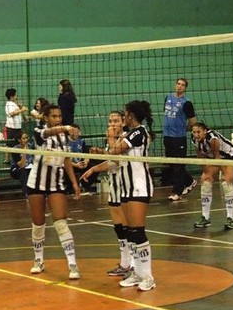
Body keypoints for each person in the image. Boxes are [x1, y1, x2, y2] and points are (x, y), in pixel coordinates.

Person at [26, 104, 82, 280]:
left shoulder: (64, 138)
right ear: (46, 118)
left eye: (59, 116)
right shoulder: (38, 131)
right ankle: (38, 260)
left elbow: (66, 159)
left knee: (61, 223)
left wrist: (74, 183)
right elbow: (45, 134)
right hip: (36, 182)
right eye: (54, 116)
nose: (57, 119)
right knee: (38, 224)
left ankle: (72, 264)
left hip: (56, 184)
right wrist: (65, 128)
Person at [107, 100, 156, 291]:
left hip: (139, 187)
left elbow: (115, 152)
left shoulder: (139, 132)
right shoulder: (129, 134)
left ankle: (148, 276)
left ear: (131, 116)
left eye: (125, 114)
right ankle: (137, 273)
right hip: (127, 188)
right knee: (129, 233)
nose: (123, 117)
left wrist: (112, 138)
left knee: (138, 231)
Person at [80, 110, 132, 276]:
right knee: (118, 227)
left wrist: (106, 147)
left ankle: (132, 263)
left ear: (123, 122)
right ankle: (125, 263)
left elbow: (119, 160)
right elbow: (111, 162)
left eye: (116, 121)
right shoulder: (113, 140)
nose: (112, 124)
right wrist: (94, 169)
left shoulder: (126, 137)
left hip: (127, 185)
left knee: (128, 226)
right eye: (110, 121)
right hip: (114, 184)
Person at [190, 121, 233, 230]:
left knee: (226, 182)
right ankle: (205, 218)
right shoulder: (194, 140)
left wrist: (225, 174)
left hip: (229, 156)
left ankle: (230, 218)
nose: (196, 135)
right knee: (205, 181)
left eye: (199, 132)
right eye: (194, 132)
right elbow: (200, 158)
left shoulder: (213, 139)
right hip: (214, 159)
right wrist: (206, 173)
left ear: (205, 131)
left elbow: (218, 158)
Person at [163, 77, 198, 201]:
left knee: (178, 165)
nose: (180, 86)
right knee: (172, 164)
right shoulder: (168, 97)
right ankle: (190, 181)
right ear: (175, 85)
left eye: (183, 85)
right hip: (167, 136)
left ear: (185, 88)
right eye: (178, 84)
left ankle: (177, 192)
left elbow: (193, 122)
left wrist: (184, 129)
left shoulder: (186, 103)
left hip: (179, 138)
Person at [4, 88, 28, 164]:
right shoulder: (9, 104)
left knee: (16, 143)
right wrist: (22, 110)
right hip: (12, 128)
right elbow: (11, 114)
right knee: (10, 144)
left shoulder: (14, 104)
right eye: (15, 95)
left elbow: (21, 115)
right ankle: (7, 159)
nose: (16, 96)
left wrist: (21, 108)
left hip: (17, 127)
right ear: (12, 96)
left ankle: (17, 158)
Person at [10, 131, 34, 198]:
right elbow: (21, 165)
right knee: (23, 171)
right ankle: (26, 193)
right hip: (16, 169)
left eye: (26, 138)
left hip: (28, 167)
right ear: (19, 140)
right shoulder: (15, 149)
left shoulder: (30, 146)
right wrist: (24, 152)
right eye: (23, 138)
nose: (26, 140)